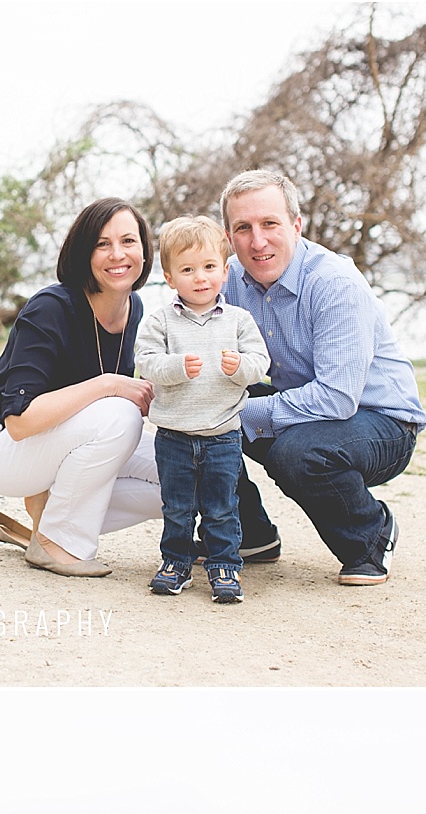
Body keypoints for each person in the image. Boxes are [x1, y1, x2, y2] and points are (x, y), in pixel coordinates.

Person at [219, 168, 426, 584]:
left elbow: (336, 399)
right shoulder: (227, 277)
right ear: (228, 235)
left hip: (381, 422)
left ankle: (371, 535)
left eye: (270, 224)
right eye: (243, 228)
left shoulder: (334, 283)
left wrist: (237, 411)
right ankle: (251, 535)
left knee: (296, 452)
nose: (257, 241)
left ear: (296, 226)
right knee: (197, 419)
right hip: (304, 410)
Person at [0, 198, 161, 577]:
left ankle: (51, 516)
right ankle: (57, 543)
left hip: (67, 443)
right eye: (102, 244)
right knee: (120, 413)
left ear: (144, 249)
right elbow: (19, 422)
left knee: (184, 472)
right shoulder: (51, 307)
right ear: (83, 252)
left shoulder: (133, 307)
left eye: (128, 241)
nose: (117, 254)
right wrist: (109, 385)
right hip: (3, 448)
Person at [134, 216, 270, 603]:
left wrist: (240, 368)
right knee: (177, 506)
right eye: (188, 270)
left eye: (209, 267)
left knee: (222, 507)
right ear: (170, 277)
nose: (200, 278)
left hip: (222, 435)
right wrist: (176, 367)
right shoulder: (161, 320)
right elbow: (146, 362)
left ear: (225, 271)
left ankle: (224, 565)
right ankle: (176, 561)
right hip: (174, 436)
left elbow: (261, 363)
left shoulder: (239, 320)